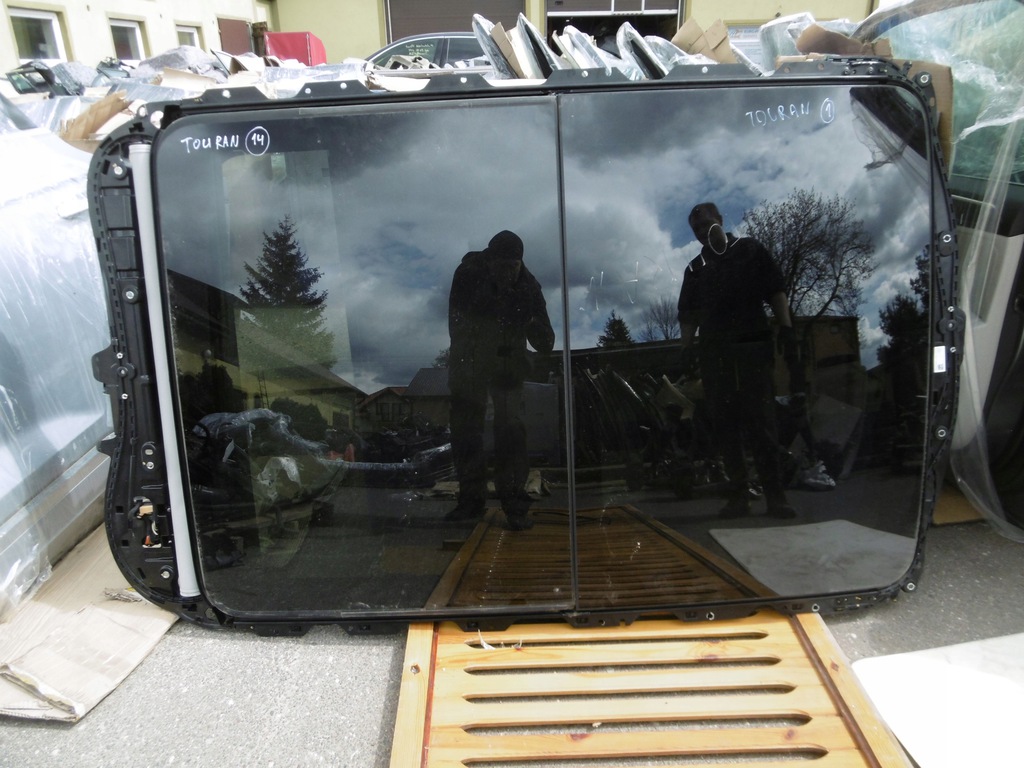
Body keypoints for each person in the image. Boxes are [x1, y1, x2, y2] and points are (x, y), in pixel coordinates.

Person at [677, 202, 800, 519]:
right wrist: (686, 349)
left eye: (706, 224)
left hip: (752, 348)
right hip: (715, 353)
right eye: (696, 229)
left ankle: (775, 496)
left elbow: (775, 289)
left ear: (720, 220)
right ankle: (738, 496)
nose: (702, 231)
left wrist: (786, 329)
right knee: (726, 425)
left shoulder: (749, 250)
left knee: (762, 422)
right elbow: (687, 315)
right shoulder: (695, 269)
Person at [446, 230, 555, 530]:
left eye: (513, 267)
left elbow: (546, 343)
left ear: (520, 264)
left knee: (511, 430)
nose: (507, 273)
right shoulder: (468, 273)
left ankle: (514, 503)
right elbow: (456, 324)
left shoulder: (529, 287)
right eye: (500, 267)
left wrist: (528, 319)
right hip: (470, 360)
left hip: (508, 364)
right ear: (489, 261)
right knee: (466, 429)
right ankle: (470, 502)